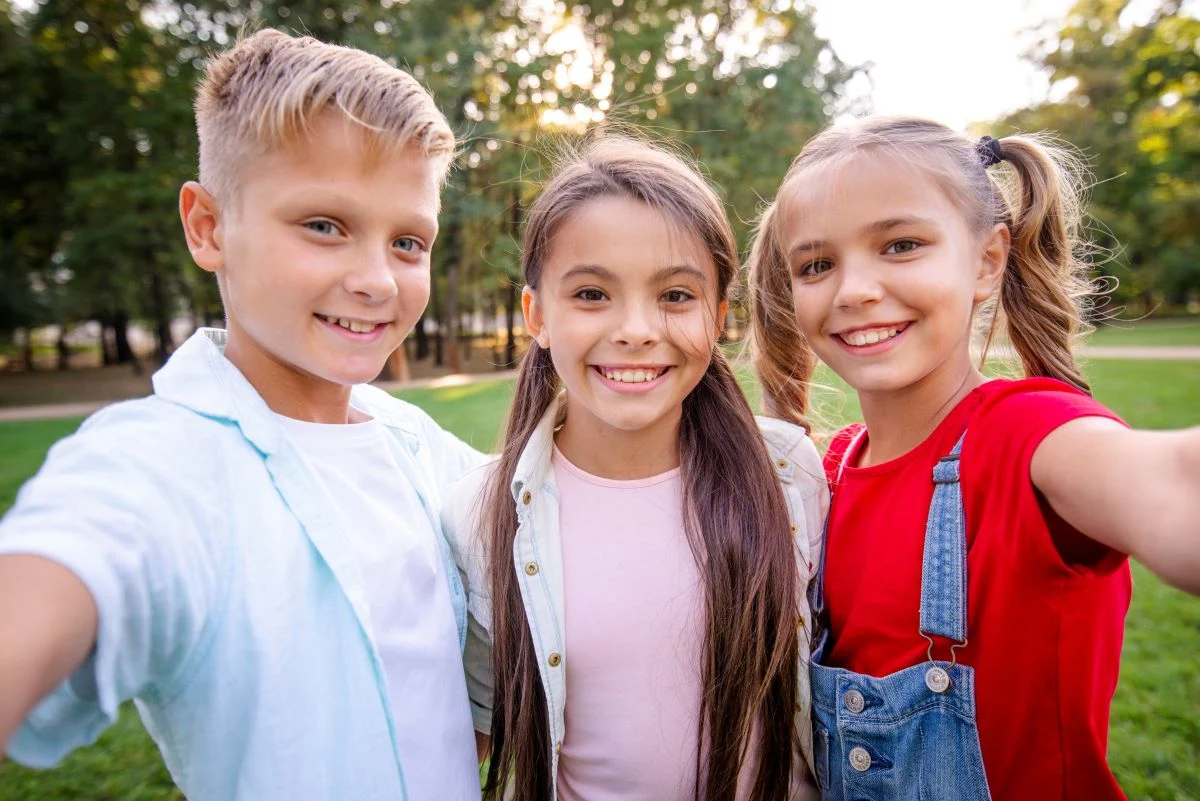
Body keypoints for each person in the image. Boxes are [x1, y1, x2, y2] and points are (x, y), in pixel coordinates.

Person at [0, 29, 486, 801]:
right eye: (324, 225)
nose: (376, 281)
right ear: (208, 227)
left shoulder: (416, 445)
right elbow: (75, 557)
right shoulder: (159, 466)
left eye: (407, 240)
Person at [746, 115, 1200, 801]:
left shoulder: (1030, 435)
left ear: (987, 261)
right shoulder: (828, 470)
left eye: (900, 245)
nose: (854, 289)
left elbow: (1172, 482)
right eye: (817, 264)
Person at [441, 136, 827, 801]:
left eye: (676, 295)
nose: (637, 328)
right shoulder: (480, 509)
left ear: (718, 316)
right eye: (592, 293)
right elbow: (476, 722)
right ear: (537, 314)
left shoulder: (788, 472)